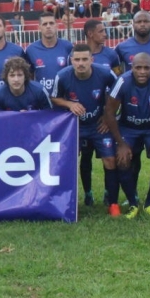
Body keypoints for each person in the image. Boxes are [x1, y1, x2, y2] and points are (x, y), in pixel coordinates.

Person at [102, 52, 150, 219]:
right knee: (122, 159)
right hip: (128, 128)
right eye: (138, 68)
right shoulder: (122, 81)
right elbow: (109, 111)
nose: (142, 72)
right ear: (131, 68)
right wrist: (120, 143)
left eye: (146, 68)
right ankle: (133, 203)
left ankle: (149, 203)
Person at [51, 44, 121, 216]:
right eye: (77, 60)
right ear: (71, 61)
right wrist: (69, 104)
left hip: (99, 125)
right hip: (75, 126)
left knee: (110, 160)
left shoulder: (105, 74)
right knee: (70, 162)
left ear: (92, 59)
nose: (80, 63)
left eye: (84, 59)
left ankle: (112, 202)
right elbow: (54, 98)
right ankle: (79, 197)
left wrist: (107, 116)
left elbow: (118, 95)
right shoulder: (63, 76)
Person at [25, 12, 74, 93]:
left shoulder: (68, 46)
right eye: (45, 24)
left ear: (56, 26)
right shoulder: (31, 50)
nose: (48, 26)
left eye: (51, 23)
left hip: (64, 98)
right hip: (41, 100)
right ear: (39, 27)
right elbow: (29, 76)